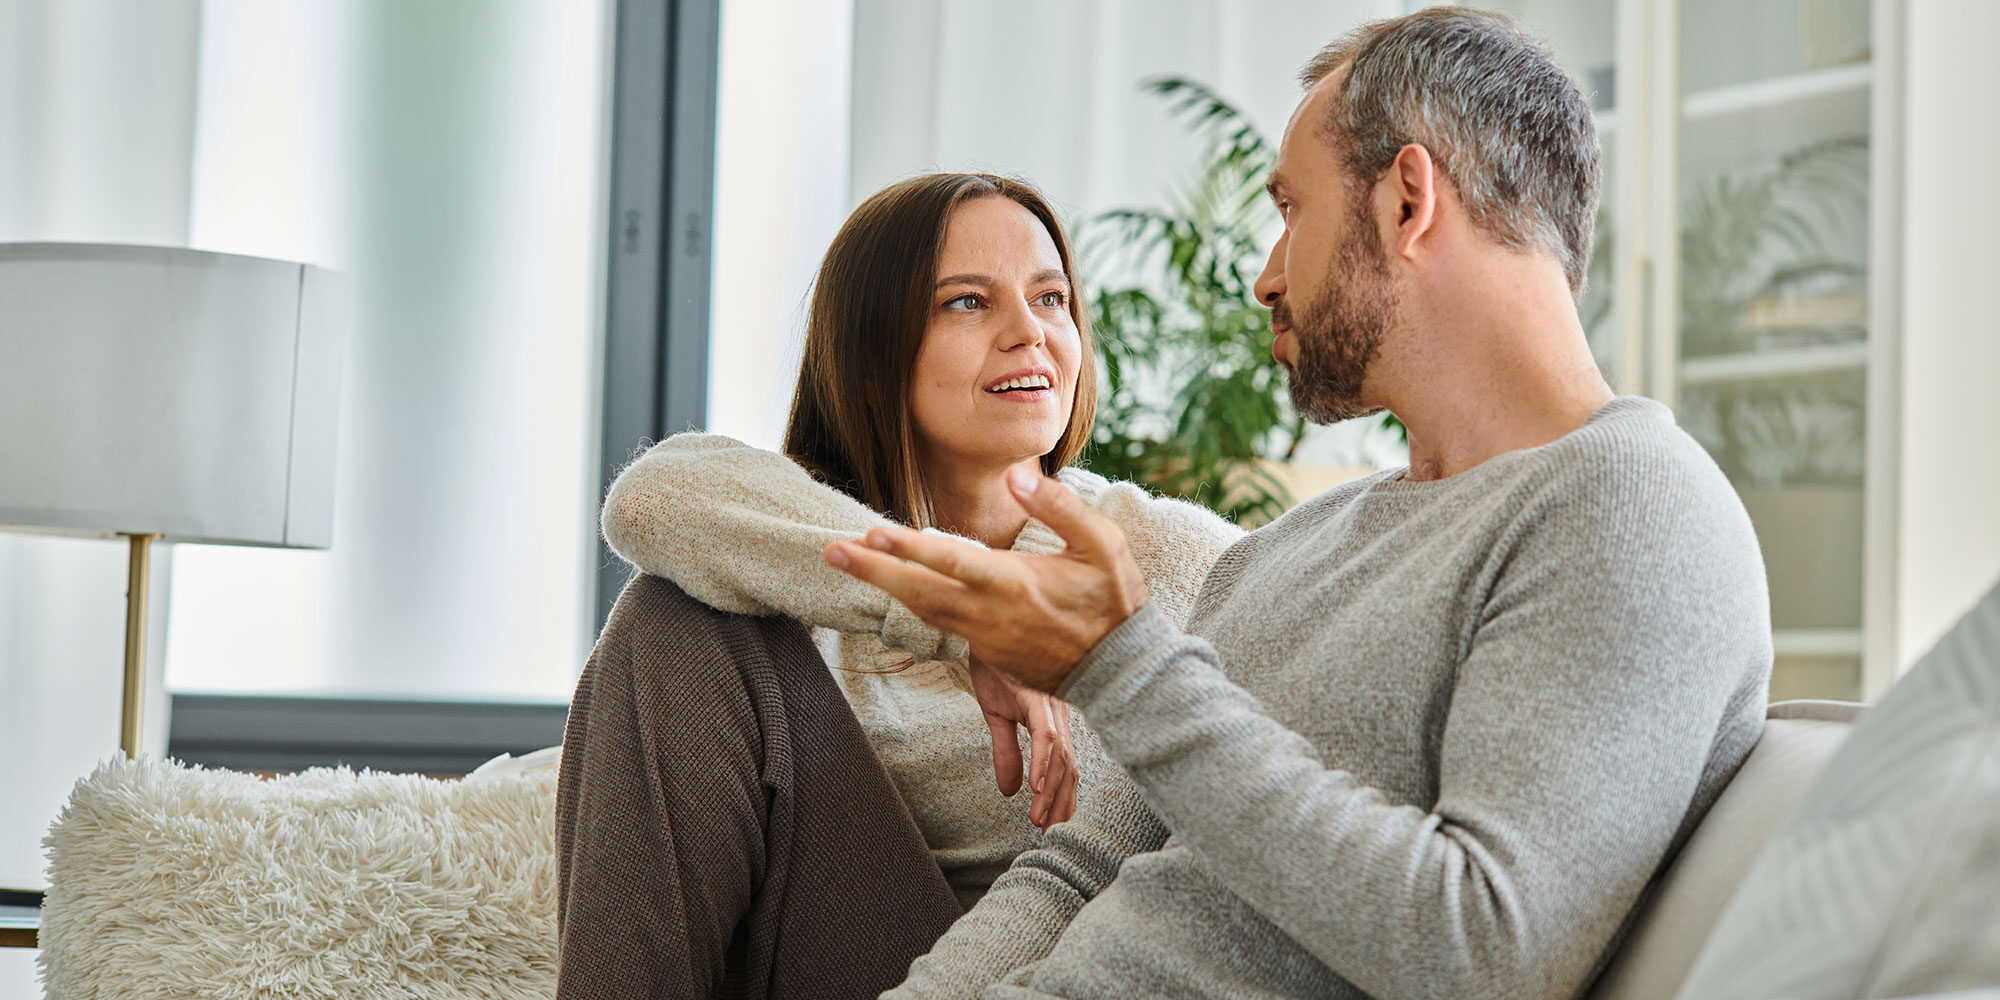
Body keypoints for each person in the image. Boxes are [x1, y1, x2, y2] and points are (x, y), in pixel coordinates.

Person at [826, 9, 1773, 1000]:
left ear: (1408, 201)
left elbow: (1482, 954)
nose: (1263, 276)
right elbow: (1079, 869)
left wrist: (1119, 665)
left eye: (1290, 210)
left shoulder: (1629, 510)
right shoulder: (1289, 549)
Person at [553, 172, 1243, 999]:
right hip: (848, 953)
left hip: (1061, 971)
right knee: (669, 617)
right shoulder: (801, 543)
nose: (1030, 333)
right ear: (873, 356)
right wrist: (965, 619)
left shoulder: (1160, 551)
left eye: (1051, 298)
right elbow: (651, 497)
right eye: (967, 303)